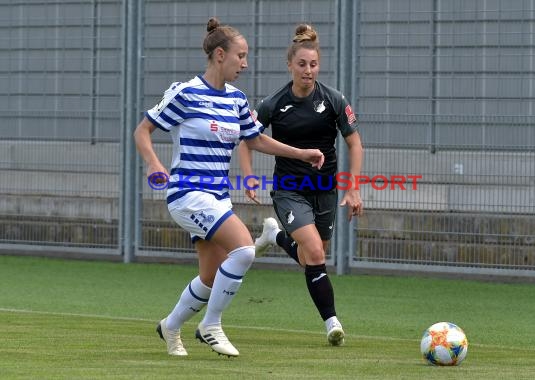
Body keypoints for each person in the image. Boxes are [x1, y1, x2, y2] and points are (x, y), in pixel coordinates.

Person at [133, 18, 324, 358]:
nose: (245, 64)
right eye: (241, 56)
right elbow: (142, 131)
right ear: (220, 55)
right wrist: (154, 163)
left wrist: (302, 153)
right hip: (187, 194)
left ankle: (171, 326)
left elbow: (257, 140)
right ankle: (211, 325)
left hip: (217, 198)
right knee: (245, 250)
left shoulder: (236, 99)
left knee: (209, 278)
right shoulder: (184, 93)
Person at [238, 23, 363, 346]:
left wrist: (353, 188)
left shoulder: (333, 99)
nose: (308, 70)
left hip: (325, 191)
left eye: (314, 64)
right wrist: (249, 174)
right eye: (302, 64)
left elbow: (355, 144)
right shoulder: (274, 103)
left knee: (313, 256)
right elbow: (247, 138)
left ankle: (273, 236)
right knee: (316, 254)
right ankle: (332, 323)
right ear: (290, 65)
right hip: (289, 189)